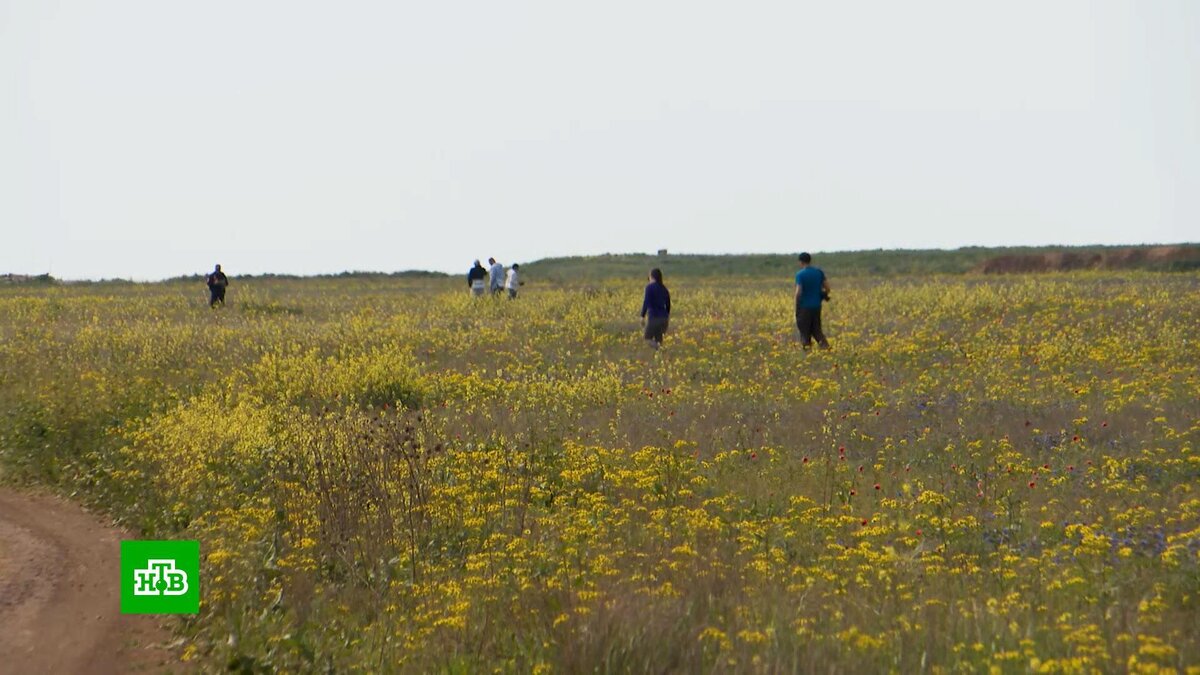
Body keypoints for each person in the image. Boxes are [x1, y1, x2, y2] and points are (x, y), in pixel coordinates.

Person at [794, 252, 830, 349]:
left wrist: (797, 304)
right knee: (817, 330)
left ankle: (807, 353)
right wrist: (821, 295)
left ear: (800, 262)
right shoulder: (819, 272)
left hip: (804, 307)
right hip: (817, 306)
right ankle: (826, 348)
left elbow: (799, 292)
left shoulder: (800, 275)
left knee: (805, 332)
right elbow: (827, 288)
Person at [640, 268, 671, 349]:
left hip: (654, 318)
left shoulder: (649, 287)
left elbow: (646, 302)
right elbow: (668, 304)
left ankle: (661, 349)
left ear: (652, 277)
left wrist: (642, 316)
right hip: (664, 319)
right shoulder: (664, 288)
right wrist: (667, 315)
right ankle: (660, 358)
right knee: (658, 340)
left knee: (647, 339)